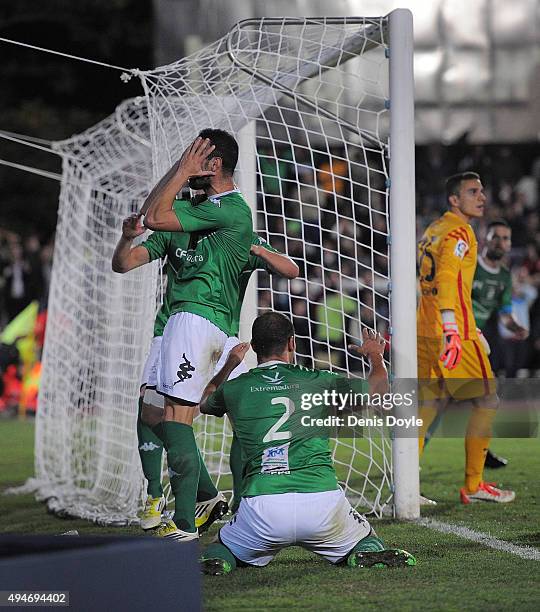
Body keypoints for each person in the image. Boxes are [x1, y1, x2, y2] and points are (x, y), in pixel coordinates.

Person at [112, 216, 299, 528]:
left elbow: (291, 270)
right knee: (152, 411)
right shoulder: (175, 231)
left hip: (223, 334)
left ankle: (243, 504)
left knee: (243, 416)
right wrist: (126, 238)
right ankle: (159, 495)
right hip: (174, 330)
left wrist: (256, 247)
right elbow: (123, 263)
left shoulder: (237, 232)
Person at [198, 312, 416, 575]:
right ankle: (364, 551)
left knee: (221, 546)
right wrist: (375, 356)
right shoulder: (319, 381)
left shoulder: (236, 388)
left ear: (254, 348)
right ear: (292, 343)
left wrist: (230, 364)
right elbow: (378, 392)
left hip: (263, 506)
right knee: (367, 538)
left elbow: (205, 401)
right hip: (321, 503)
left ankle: (219, 560)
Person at [141, 129, 253, 541]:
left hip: (192, 319)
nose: (187, 162)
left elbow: (153, 217)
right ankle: (219, 507)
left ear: (214, 164)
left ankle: (186, 520)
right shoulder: (226, 208)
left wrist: (183, 170)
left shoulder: (225, 210)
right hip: (217, 327)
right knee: (176, 414)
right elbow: (150, 212)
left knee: (172, 416)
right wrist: (181, 170)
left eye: (196, 156)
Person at [417, 172, 515, 504]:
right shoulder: (461, 232)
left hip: (425, 329)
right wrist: (454, 329)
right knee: (487, 400)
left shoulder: (433, 230)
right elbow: (447, 279)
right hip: (449, 331)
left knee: (428, 406)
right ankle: (474, 484)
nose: (482, 197)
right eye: (473, 192)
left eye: (483, 191)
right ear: (454, 200)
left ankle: (403, 486)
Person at [424, 220, 528, 468]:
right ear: (485, 238)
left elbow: (504, 314)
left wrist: (516, 328)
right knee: (444, 397)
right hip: (454, 335)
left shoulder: (503, 276)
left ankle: (480, 452)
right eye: (496, 237)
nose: (501, 243)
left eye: (506, 238)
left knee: (469, 397)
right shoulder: (469, 266)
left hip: (474, 341)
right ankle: (418, 454)